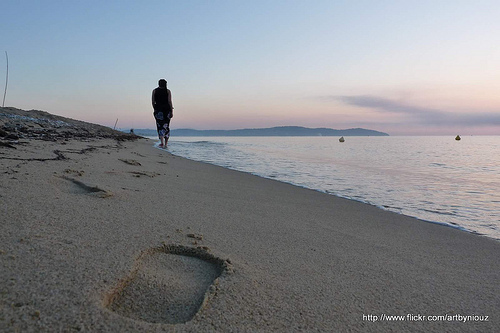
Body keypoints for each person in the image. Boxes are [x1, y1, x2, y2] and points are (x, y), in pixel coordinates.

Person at [152, 79, 174, 147]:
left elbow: (153, 102)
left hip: (158, 110)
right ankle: (166, 143)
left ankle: (162, 142)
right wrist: (171, 110)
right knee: (166, 126)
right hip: (167, 110)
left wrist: (155, 109)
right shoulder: (168, 91)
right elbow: (169, 102)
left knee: (160, 125)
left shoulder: (154, 91)